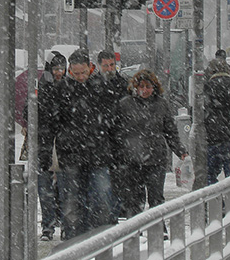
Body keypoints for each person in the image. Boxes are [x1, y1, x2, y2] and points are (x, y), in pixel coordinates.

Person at [53, 48, 117, 238]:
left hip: (97, 153)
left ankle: (98, 237)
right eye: (76, 73)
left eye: (83, 72)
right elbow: (54, 120)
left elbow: (112, 118)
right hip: (73, 154)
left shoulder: (103, 87)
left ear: (90, 68)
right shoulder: (62, 90)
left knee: (102, 198)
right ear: (70, 71)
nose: (80, 77)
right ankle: (75, 238)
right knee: (72, 202)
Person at [114, 69, 186, 219]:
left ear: (154, 87)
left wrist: (179, 150)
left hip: (156, 158)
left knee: (156, 197)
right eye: (141, 87)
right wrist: (120, 152)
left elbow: (170, 130)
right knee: (134, 199)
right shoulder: (125, 104)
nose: (144, 90)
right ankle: (135, 229)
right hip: (132, 159)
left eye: (148, 86)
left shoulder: (161, 105)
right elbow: (117, 132)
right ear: (135, 87)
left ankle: (158, 228)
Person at [34, 51, 66, 241]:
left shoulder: (70, 89)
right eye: (55, 68)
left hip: (63, 146)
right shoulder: (41, 89)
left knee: (63, 188)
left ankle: (61, 223)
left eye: (61, 68)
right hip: (45, 146)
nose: (58, 72)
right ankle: (48, 225)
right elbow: (31, 113)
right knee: (45, 187)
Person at [94, 49, 129, 218]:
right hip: (100, 142)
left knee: (118, 182)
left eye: (112, 65)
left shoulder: (122, 84)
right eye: (106, 66)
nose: (109, 69)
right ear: (99, 66)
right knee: (103, 186)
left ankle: (114, 214)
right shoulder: (93, 84)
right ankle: (107, 216)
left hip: (118, 142)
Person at [203, 50, 230, 184]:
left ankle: (215, 202)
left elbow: (202, 111)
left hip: (212, 136)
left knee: (210, 174)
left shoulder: (207, 86)